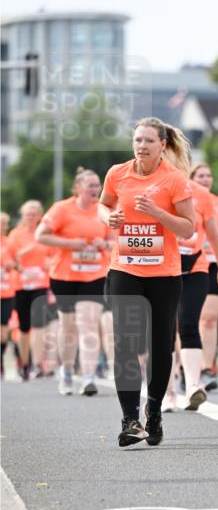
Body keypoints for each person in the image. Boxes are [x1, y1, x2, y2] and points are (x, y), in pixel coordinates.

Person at [98, 117, 195, 447]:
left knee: (159, 347)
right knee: (125, 343)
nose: (141, 145)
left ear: (162, 146)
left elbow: (188, 229)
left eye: (149, 141)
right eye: (137, 139)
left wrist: (158, 213)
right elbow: (103, 205)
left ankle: (154, 411)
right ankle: (130, 419)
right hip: (125, 269)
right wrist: (107, 218)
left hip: (164, 274)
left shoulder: (175, 179)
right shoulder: (117, 174)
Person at [36, 169, 112, 396]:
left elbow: (115, 240)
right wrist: (72, 244)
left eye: (97, 185)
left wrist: (104, 244)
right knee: (68, 326)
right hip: (64, 275)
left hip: (95, 273)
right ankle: (67, 369)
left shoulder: (103, 210)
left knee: (88, 322)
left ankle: (88, 375)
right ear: (77, 187)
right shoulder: (62, 209)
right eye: (89, 185)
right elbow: (41, 235)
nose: (94, 189)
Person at [190, 164, 218, 390]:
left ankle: (206, 367)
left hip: (212, 263)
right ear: (192, 178)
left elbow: (216, 231)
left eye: (209, 175)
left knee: (210, 318)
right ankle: (185, 367)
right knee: (187, 320)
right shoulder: (183, 197)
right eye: (200, 176)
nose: (205, 179)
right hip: (189, 261)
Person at [6, 201, 52, 380]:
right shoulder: (15, 235)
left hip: (41, 284)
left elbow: (52, 256)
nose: (31, 217)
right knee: (24, 327)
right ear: (22, 215)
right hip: (21, 284)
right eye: (28, 214)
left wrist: (48, 264)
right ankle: (24, 362)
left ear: (40, 215)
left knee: (39, 322)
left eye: (34, 214)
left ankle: (38, 363)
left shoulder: (45, 233)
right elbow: (9, 260)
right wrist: (26, 252)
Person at [1, 212, 16, 378]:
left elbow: (18, 264)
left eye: (5, 223)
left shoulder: (9, 243)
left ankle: (1, 362)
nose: (4, 227)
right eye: (2, 223)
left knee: (4, 331)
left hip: (6, 291)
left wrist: (12, 265)